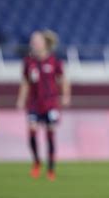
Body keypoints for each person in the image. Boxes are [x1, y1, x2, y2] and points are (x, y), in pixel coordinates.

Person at [16, 30, 71, 181]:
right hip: (34, 103)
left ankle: (51, 168)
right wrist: (21, 99)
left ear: (45, 43)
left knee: (50, 132)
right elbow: (25, 82)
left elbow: (63, 80)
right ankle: (36, 161)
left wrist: (65, 96)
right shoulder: (28, 62)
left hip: (50, 103)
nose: (33, 43)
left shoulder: (55, 62)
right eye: (32, 41)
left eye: (36, 41)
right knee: (32, 130)